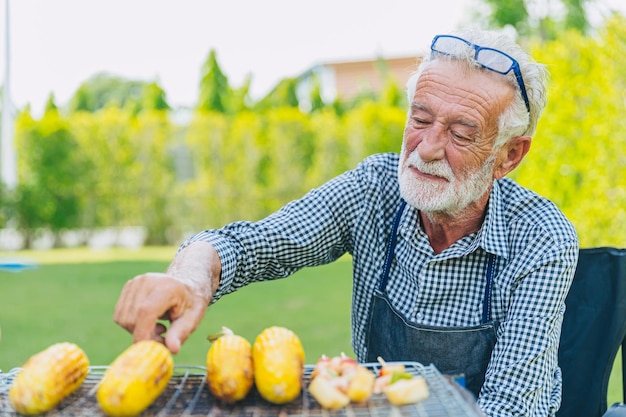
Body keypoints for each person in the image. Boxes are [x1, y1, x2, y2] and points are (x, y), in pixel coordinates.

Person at [113, 28, 579, 416]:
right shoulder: (374, 189)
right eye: (420, 118)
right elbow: (253, 245)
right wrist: (190, 280)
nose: (428, 148)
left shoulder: (540, 237)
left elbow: (512, 408)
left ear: (508, 156)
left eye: (460, 134)